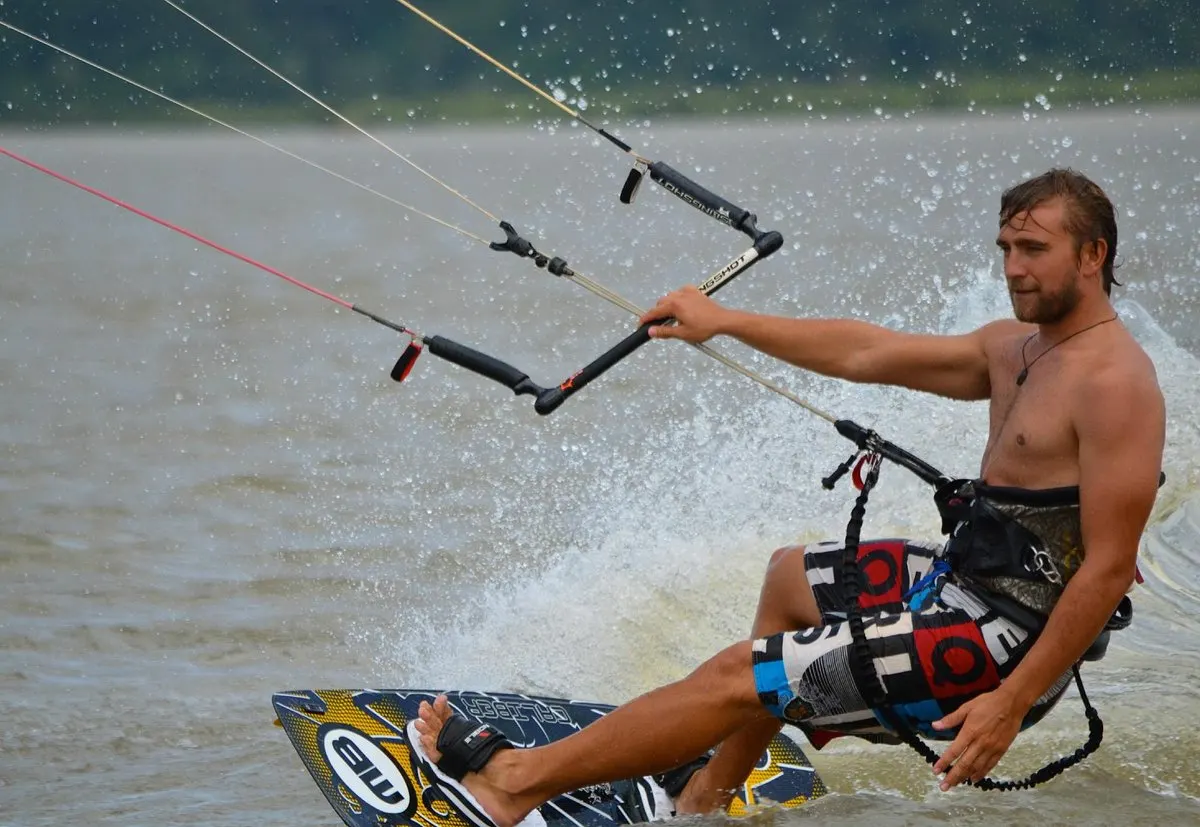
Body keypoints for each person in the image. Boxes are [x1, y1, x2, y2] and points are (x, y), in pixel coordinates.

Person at [414, 168, 1165, 826]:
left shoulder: (1115, 384)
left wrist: (1009, 704)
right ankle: (706, 794)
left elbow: (1104, 571)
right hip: (958, 584)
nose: (1013, 267)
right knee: (787, 577)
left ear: (1092, 254)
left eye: (1034, 250)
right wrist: (725, 322)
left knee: (738, 675)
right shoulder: (1017, 347)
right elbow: (865, 350)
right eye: (1005, 248)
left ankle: (513, 783)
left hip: (1003, 649)